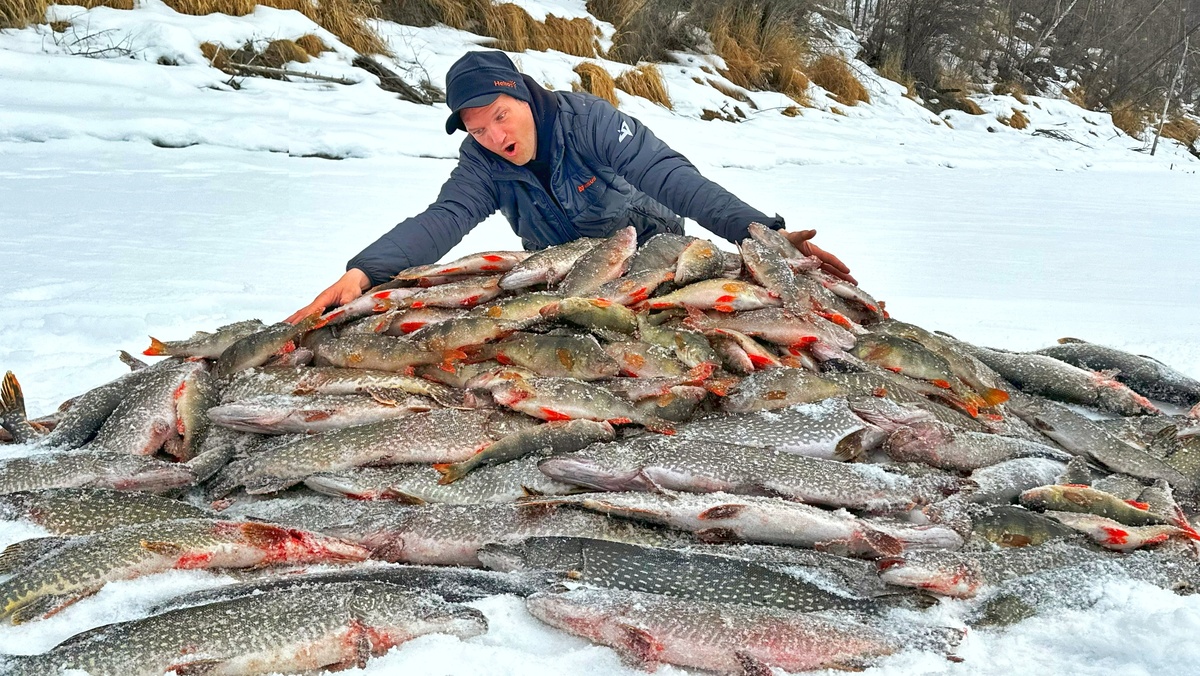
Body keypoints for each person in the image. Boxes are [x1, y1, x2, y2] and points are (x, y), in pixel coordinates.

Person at [287, 51, 852, 323]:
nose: (493, 135)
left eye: (500, 116)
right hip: (567, 267)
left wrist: (763, 235)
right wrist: (364, 271)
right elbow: (444, 219)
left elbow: (673, 178)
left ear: (523, 96)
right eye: (478, 128)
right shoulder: (480, 164)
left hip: (650, 252)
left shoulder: (590, 123)